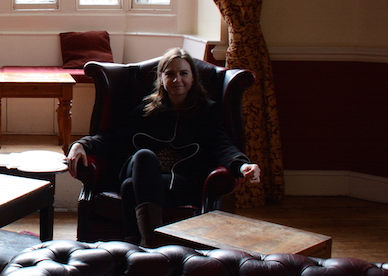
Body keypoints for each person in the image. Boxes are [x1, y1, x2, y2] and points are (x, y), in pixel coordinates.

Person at [66, 48, 260, 246]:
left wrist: (242, 165)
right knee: (143, 156)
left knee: (130, 187)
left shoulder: (207, 111)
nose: (177, 79)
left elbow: (222, 145)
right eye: (170, 74)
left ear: (193, 78)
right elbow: (113, 137)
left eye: (184, 73)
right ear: (161, 78)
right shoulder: (148, 109)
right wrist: (81, 145)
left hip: (178, 182)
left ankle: (134, 240)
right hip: (140, 169)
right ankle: (151, 241)